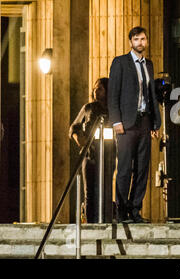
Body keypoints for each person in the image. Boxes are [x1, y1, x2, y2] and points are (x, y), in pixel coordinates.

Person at [108, 26, 161, 224]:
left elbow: (152, 95)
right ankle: (121, 211)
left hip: (144, 120)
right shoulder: (120, 62)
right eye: (137, 39)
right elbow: (113, 94)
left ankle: (135, 210)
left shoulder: (149, 65)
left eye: (143, 39)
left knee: (142, 169)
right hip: (126, 123)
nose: (141, 43)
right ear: (131, 41)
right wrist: (116, 121)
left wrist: (156, 122)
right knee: (124, 168)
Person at [69, 78, 113, 223]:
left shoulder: (112, 109)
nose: (96, 91)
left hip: (108, 154)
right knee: (89, 191)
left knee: (106, 189)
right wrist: (79, 139)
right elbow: (74, 127)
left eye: (100, 88)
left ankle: (105, 219)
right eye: (95, 88)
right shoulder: (88, 108)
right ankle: (90, 222)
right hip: (89, 154)